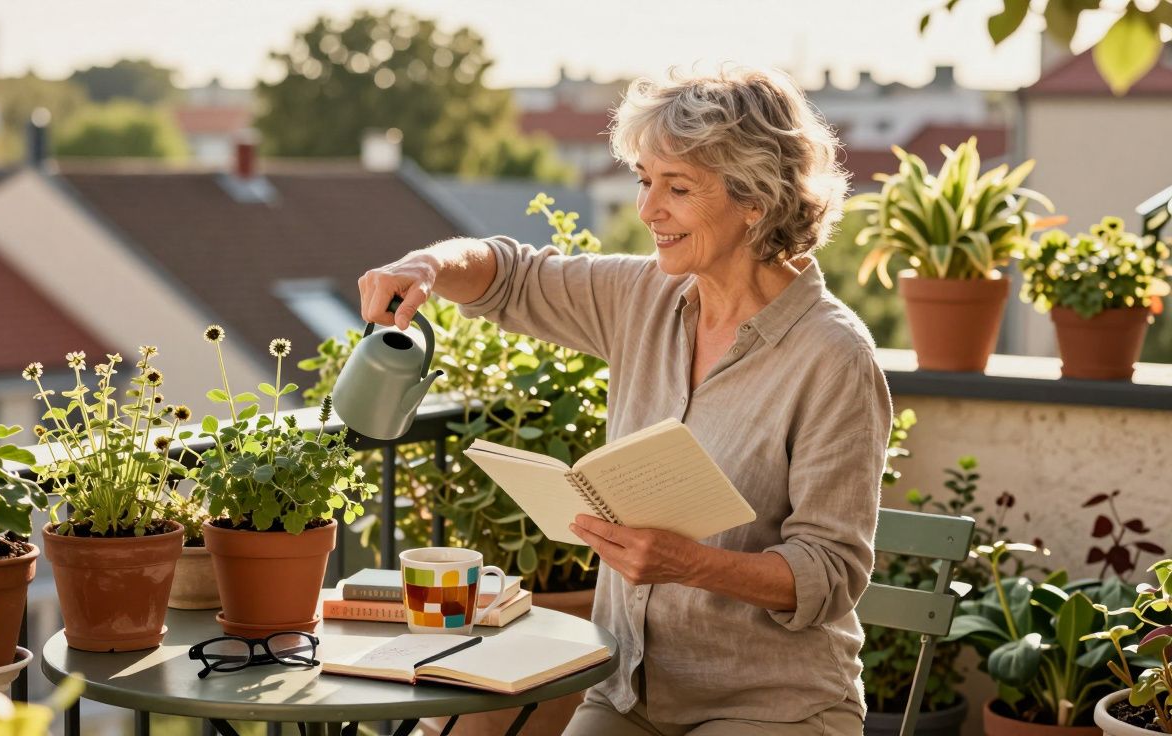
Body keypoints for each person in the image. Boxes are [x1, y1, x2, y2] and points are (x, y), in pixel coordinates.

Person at [357, 67, 890, 735]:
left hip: (771, 707)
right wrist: (429, 267)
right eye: (644, 180)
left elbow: (830, 571)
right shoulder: (644, 297)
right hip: (627, 697)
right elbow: (511, 276)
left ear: (755, 199)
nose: (647, 210)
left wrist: (687, 564)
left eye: (678, 188)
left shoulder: (834, 355)